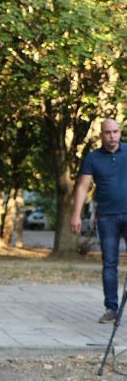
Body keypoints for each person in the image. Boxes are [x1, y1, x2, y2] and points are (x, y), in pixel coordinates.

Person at [70, 118, 127, 323]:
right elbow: (83, 187)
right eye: (108, 132)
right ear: (101, 135)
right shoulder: (93, 158)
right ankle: (111, 309)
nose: (112, 136)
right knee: (109, 263)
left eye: (115, 131)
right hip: (106, 218)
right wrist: (76, 214)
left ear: (120, 132)